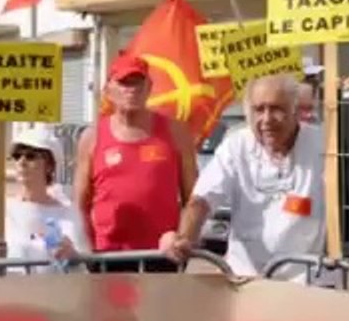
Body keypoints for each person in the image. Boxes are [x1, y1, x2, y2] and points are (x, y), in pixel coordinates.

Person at [162, 74, 324, 280]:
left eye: (276, 109)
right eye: (259, 110)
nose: (267, 119)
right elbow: (202, 200)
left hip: (307, 280)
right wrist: (185, 237)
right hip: (247, 278)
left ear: (295, 111)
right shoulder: (236, 145)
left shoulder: (323, 145)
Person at [74, 54, 197, 272]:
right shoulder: (92, 137)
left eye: (138, 83)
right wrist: (87, 250)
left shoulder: (176, 132)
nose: (131, 90)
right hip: (107, 256)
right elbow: (80, 204)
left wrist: (183, 237)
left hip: (162, 254)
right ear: (108, 90)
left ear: (149, 88)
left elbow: (194, 198)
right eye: (124, 83)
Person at [0, 127, 88, 271]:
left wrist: (73, 257)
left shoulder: (68, 213)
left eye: (30, 156)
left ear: (49, 165)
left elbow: (84, 266)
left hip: (52, 285)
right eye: (17, 156)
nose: (21, 162)